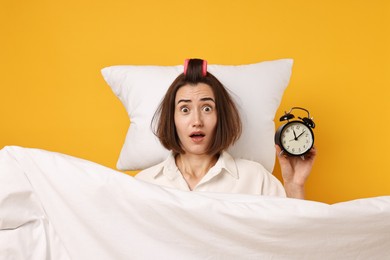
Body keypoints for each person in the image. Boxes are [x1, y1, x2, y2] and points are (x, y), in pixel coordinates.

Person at [135, 59, 316, 199]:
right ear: (171, 119)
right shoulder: (144, 184)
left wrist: (295, 185)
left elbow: (291, 238)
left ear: (220, 117)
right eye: (185, 109)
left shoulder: (256, 179)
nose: (197, 121)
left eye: (207, 108)